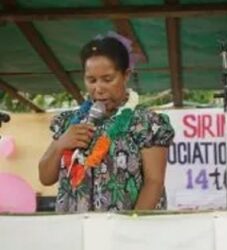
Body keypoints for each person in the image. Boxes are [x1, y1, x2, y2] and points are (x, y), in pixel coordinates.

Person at [38, 32, 175, 212]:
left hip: (126, 230)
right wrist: (60, 144)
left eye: (107, 79)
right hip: (76, 231)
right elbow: (46, 178)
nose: (99, 88)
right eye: (91, 80)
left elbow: (154, 182)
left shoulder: (146, 123)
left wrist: (130, 228)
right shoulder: (69, 122)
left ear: (126, 75)